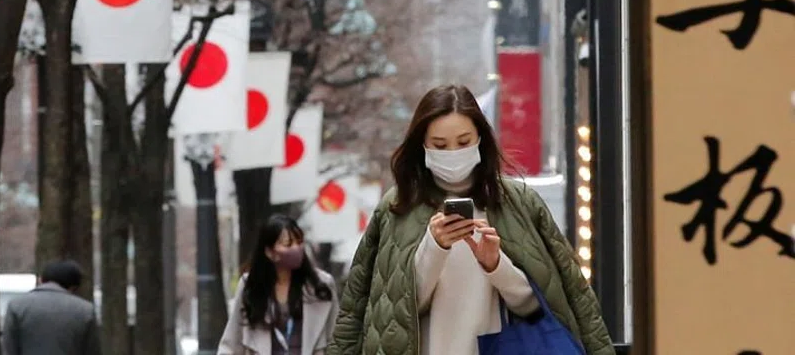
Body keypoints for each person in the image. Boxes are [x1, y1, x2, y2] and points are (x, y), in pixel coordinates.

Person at [328, 85, 614, 355]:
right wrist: (434, 248)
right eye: (440, 145)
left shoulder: (519, 203)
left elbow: (549, 305)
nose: (453, 153)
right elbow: (380, 311)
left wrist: (495, 265)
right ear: (422, 145)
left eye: (463, 142)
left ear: (480, 138)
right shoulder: (397, 207)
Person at [218, 214, 340, 355]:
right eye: (288, 244)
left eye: (299, 242)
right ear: (270, 252)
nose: (296, 248)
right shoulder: (250, 287)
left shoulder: (321, 286)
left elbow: (338, 340)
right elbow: (231, 344)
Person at [1, 259, 101, 355]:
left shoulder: (16, 306)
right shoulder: (85, 310)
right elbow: (91, 350)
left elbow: (9, 348)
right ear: (74, 286)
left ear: (41, 280)